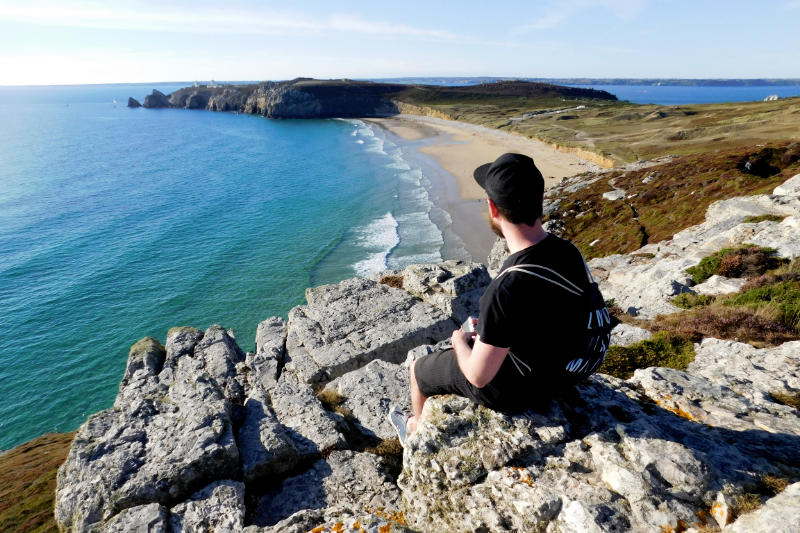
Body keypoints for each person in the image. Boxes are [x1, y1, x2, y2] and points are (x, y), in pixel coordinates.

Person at [389, 153, 611, 445]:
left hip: (518, 389)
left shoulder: (506, 288)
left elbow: (478, 377)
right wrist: (501, 328)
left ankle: (414, 431)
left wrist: (458, 341)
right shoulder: (568, 251)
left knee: (419, 370)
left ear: (493, 208)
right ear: (540, 202)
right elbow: (552, 311)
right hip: (572, 371)